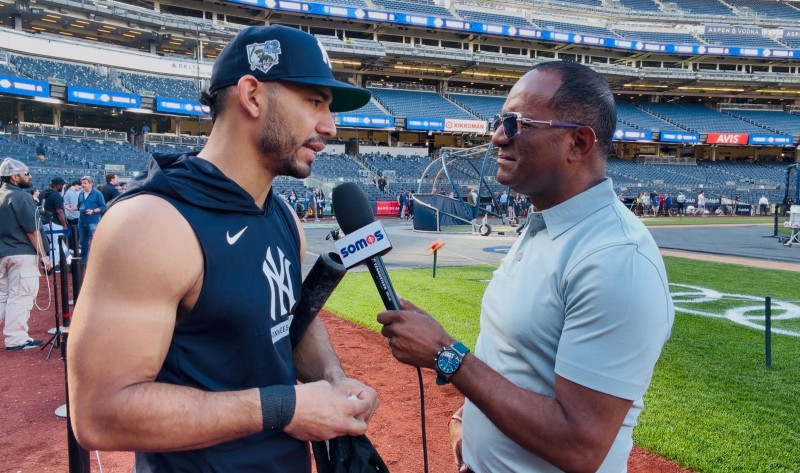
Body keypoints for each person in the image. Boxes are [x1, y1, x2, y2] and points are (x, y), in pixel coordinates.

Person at [67, 25, 379, 472]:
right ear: (251, 95)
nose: (330, 126)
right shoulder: (150, 223)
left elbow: (287, 324)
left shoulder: (284, 217)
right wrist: (284, 407)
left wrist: (333, 377)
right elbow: (100, 414)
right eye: (315, 101)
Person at [376, 62, 673, 473]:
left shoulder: (616, 258)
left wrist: (447, 355)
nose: (498, 137)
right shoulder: (544, 224)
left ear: (578, 143)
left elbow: (580, 447)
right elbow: (517, 356)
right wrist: (470, 424)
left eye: (516, 124)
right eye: (499, 122)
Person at [0, 158, 49, 350]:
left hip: (3, 254)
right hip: (22, 254)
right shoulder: (21, 197)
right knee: (21, 296)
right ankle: (16, 339)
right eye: (26, 173)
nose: (30, 177)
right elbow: (32, 231)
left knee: (3, 297)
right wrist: (44, 256)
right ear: (14, 177)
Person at [77, 175, 106, 264]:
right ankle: (84, 261)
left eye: (85, 183)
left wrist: (93, 211)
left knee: (96, 241)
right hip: (82, 221)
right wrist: (73, 208)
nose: (83, 185)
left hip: (93, 221)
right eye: (82, 183)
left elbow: (103, 207)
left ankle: (99, 260)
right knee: (83, 242)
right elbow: (80, 206)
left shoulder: (97, 194)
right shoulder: (81, 194)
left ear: (91, 184)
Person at [41, 177, 69, 267]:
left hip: (44, 221)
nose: (63, 187)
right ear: (57, 185)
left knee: (58, 243)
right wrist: (64, 225)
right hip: (54, 222)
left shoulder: (43, 193)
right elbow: (59, 212)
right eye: (62, 185)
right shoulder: (56, 195)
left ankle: (69, 260)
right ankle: (54, 264)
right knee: (55, 243)